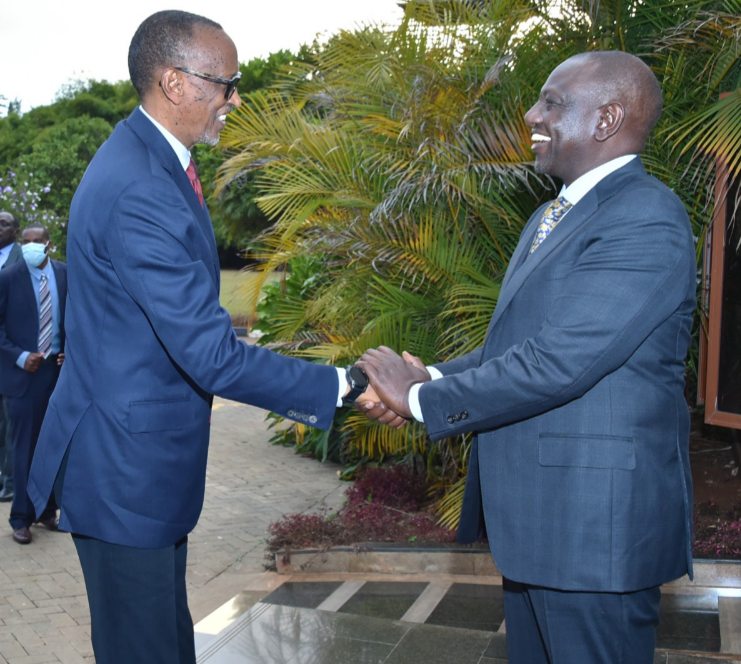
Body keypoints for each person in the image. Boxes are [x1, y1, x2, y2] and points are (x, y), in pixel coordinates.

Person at [26, 10, 378, 664]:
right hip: (122, 475)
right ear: (175, 83)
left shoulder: (152, 163)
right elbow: (211, 355)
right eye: (226, 83)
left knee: (164, 643)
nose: (235, 99)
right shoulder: (140, 187)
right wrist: (340, 385)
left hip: (135, 468)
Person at [359, 51, 696, 664]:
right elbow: (517, 349)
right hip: (544, 530)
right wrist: (428, 375)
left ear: (607, 119)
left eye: (552, 102)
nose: (531, 113)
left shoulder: (646, 218)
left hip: (595, 539)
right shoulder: (550, 215)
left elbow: (561, 361)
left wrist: (417, 400)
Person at [0, 223, 65, 544]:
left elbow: (79, 317)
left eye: (36, 241)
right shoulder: (8, 278)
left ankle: (47, 510)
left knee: (53, 442)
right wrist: (20, 356)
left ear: (48, 245)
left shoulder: (65, 275)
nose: (30, 247)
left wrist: (69, 349)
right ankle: (21, 518)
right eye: (25, 242)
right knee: (24, 446)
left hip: (57, 372)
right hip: (23, 375)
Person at [0, 210, 22, 503]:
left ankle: (11, 482)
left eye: (4, 223)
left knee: (10, 423)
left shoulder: (22, 259)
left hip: (12, 354)